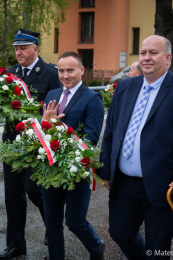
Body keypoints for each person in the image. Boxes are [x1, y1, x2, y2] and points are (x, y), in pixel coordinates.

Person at [98, 35, 173, 259]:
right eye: (143, 53)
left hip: (163, 183)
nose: (146, 58)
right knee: (119, 233)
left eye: (153, 53)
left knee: (159, 247)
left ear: (167, 58)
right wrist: (105, 168)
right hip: (124, 183)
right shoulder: (125, 87)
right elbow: (111, 132)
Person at [0, 28, 62, 259]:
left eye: (23, 48)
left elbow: (56, 110)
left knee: (36, 191)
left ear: (35, 49)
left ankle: (53, 230)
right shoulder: (10, 74)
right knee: (12, 195)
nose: (18, 52)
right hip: (12, 144)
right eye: (16, 48)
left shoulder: (50, 74)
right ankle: (16, 244)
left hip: (38, 145)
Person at [41, 51, 105, 260]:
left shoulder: (92, 98)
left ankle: (97, 246)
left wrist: (57, 128)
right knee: (52, 222)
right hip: (51, 168)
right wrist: (45, 124)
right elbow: (42, 134)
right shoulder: (51, 95)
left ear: (82, 70)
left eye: (70, 70)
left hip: (77, 169)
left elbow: (91, 139)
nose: (65, 75)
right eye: (61, 70)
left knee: (75, 222)